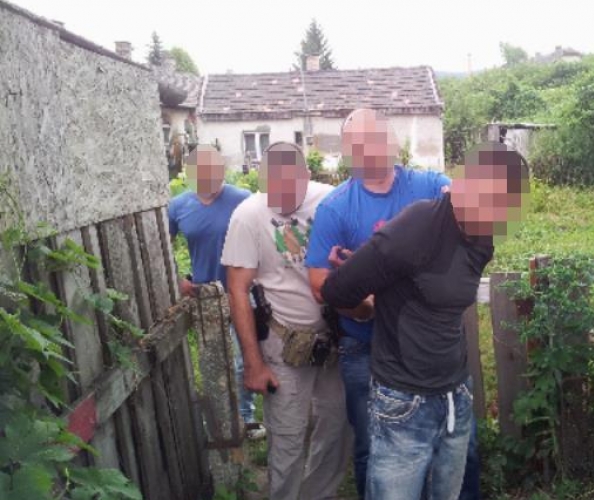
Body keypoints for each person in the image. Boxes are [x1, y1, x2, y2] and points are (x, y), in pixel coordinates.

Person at [320, 141, 530, 500]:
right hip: (403, 402)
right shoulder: (417, 224)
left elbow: (437, 289)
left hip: (456, 395)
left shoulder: (485, 238)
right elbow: (336, 290)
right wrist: (371, 305)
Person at [221, 142, 350, 500]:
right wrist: (254, 364)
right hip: (283, 341)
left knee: (336, 428)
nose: (281, 195)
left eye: (290, 185)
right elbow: (237, 290)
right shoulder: (248, 216)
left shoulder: (331, 200)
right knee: (287, 437)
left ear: (306, 175)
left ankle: (318, 495)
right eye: (273, 185)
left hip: (335, 337)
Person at [167, 144, 265, 439]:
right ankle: (221, 420)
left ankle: (245, 417)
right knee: (213, 362)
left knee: (242, 359)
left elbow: (264, 238)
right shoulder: (178, 206)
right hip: (206, 297)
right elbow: (161, 247)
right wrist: (177, 279)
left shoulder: (243, 199)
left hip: (242, 293)